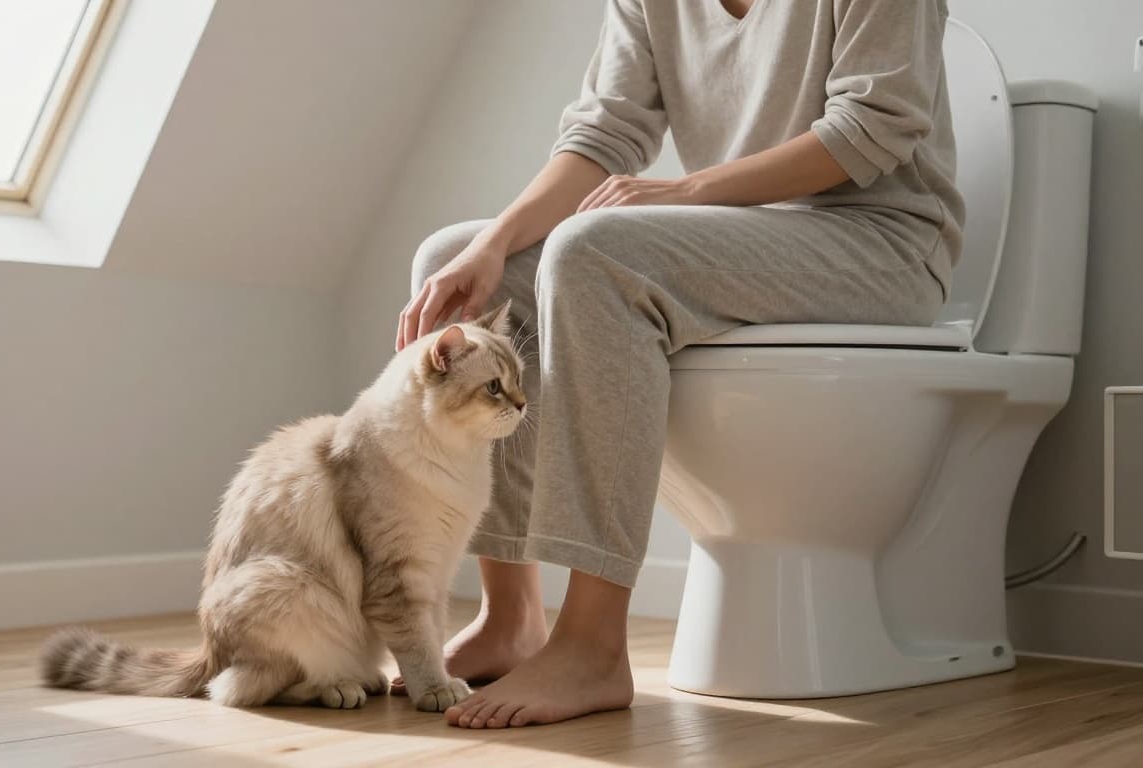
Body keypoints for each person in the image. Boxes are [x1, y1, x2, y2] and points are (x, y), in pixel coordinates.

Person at [396, 0, 961, 728]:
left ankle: (594, 644)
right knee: (454, 259)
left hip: (881, 242)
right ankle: (512, 618)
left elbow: (871, 126)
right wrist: (495, 244)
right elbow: (606, 129)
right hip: (737, 234)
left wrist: (683, 190)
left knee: (595, 251)